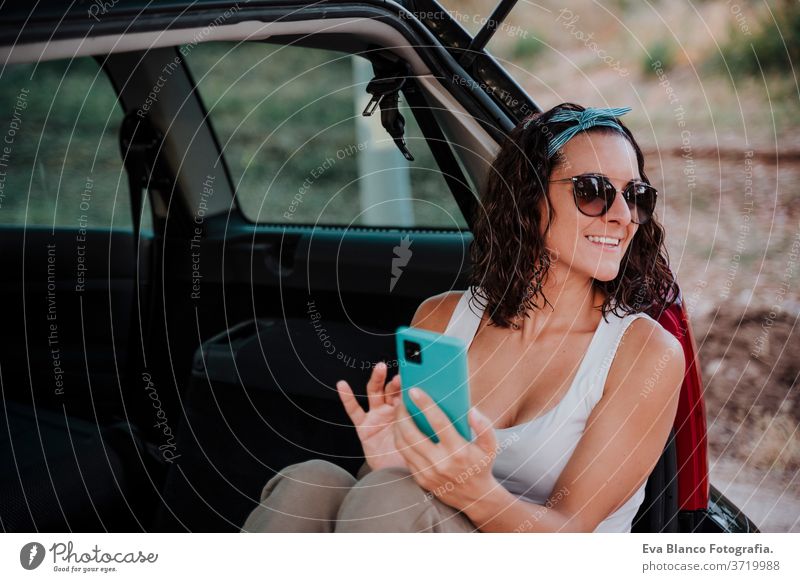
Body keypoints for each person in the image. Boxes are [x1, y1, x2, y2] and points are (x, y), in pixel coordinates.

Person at [240, 102, 685, 533]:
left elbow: (571, 533)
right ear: (527, 199)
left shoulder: (646, 354)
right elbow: (400, 497)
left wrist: (476, 491)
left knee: (392, 496)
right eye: (593, 191)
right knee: (310, 483)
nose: (624, 216)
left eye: (636, 195)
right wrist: (393, 461)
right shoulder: (441, 318)